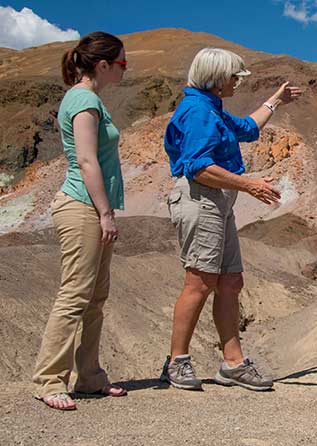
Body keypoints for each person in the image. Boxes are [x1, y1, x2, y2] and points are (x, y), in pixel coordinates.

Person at [162, 48, 302, 391]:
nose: (238, 83)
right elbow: (198, 166)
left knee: (230, 281)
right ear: (216, 76)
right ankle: (176, 362)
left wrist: (276, 100)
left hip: (218, 202)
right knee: (199, 281)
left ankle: (233, 363)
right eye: (234, 77)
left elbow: (248, 128)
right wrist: (250, 185)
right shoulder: (197, 111)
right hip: (200, 198)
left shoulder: (212, 109)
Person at [32, 31, 129, 411]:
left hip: (92, 207)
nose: (126, 69)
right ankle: (49, 379)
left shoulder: (90, 99)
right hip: (82, 206)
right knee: (75, 294)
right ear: (103, 65)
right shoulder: (84, 100)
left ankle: (89, 376)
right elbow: (87, 161)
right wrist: (105, 213)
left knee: (95, 297)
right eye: (122, 63)